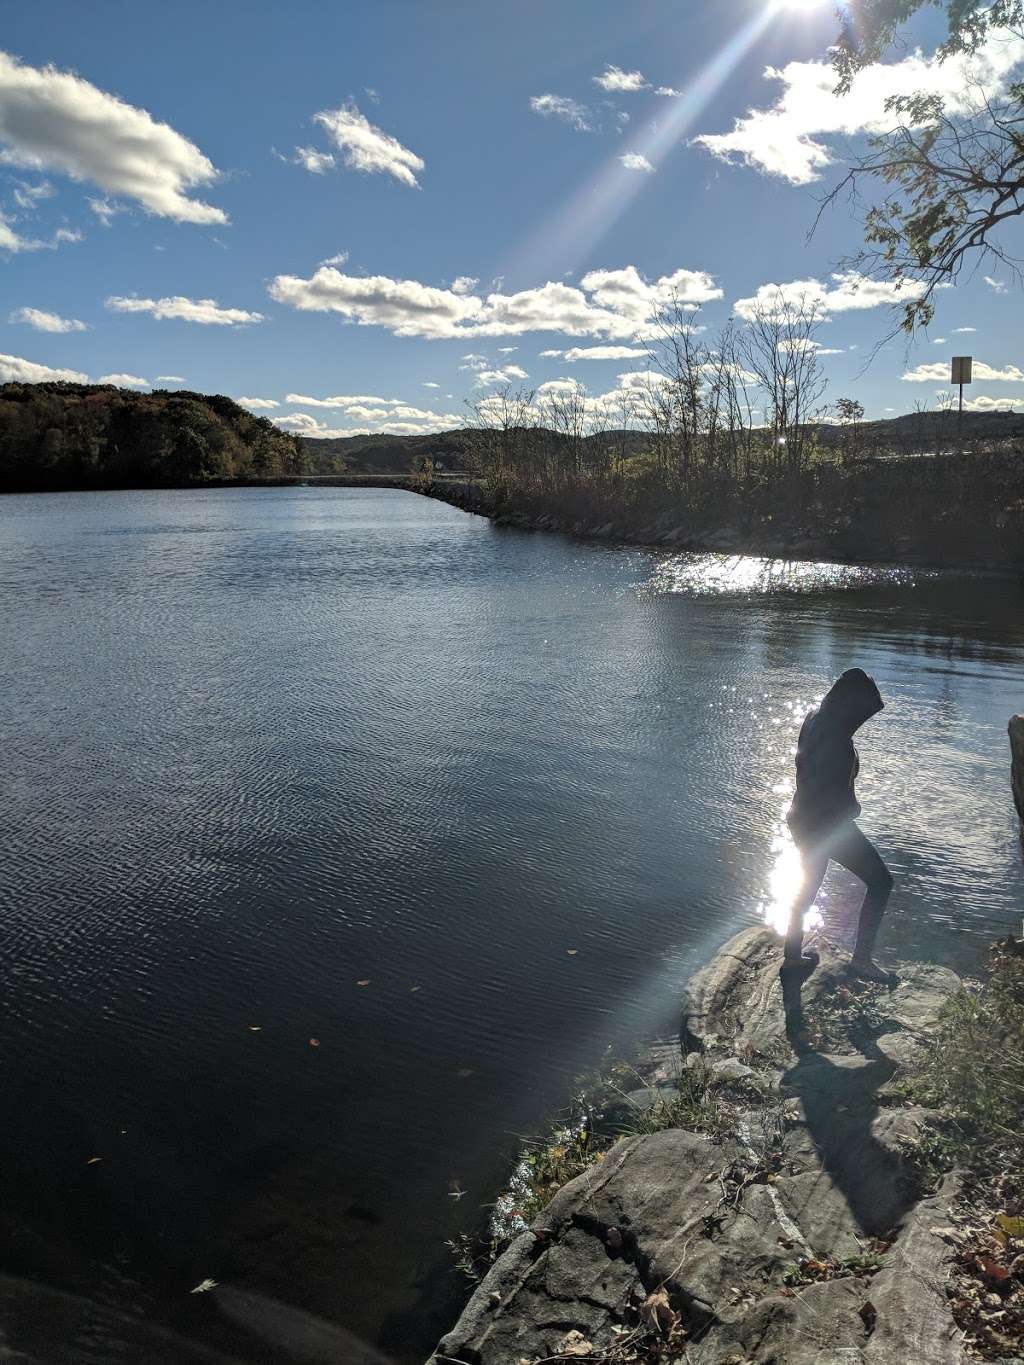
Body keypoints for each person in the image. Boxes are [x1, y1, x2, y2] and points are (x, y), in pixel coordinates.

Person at [783, 668, 895, 985]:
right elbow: (835, 799)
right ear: (851, 706)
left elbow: (810, 777)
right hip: (825, 826)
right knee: (882, 882)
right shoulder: (839, 743)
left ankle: (792, 957)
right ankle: (862, 960)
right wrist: (854, 808)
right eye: (864, 712)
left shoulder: (814, 717)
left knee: (809, 884)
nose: (866, 719)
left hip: (800, 817)